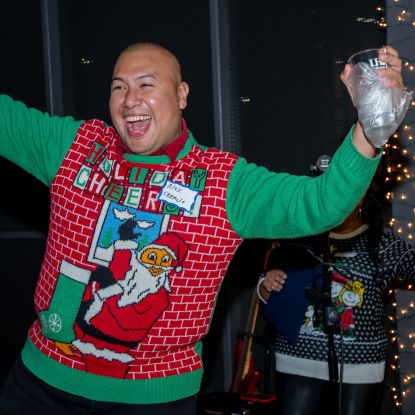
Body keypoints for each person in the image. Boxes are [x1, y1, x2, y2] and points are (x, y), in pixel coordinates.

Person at [0, 42, 405, 414]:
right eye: (118, 87)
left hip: (152, 400)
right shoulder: (75, 147)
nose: (130, 100)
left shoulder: (222, 183)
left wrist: (368, 136)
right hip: (40, 386)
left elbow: (319, 205)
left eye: (146, 84)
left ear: (181, 96)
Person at [257, 169, 415, 415]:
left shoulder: (383, 244)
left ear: (360, 198)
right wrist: (267, 283)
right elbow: (268, 295)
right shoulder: (300, 238)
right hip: (298, 361)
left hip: (359, 367)